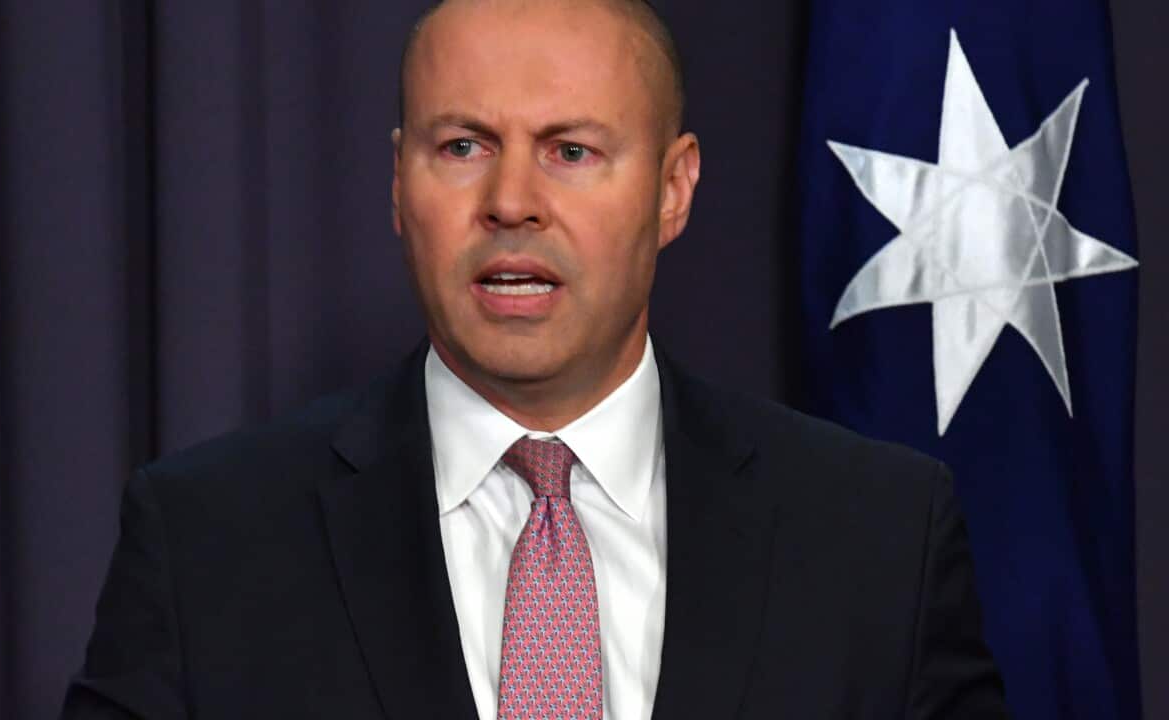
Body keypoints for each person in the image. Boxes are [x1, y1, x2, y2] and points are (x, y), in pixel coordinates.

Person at [63, 0, 1009, 717]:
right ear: (400, 184)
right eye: (464, 144)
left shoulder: (880, 538)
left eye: (570, 152)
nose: (511, 201)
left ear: (673, 189)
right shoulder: (205, 542)